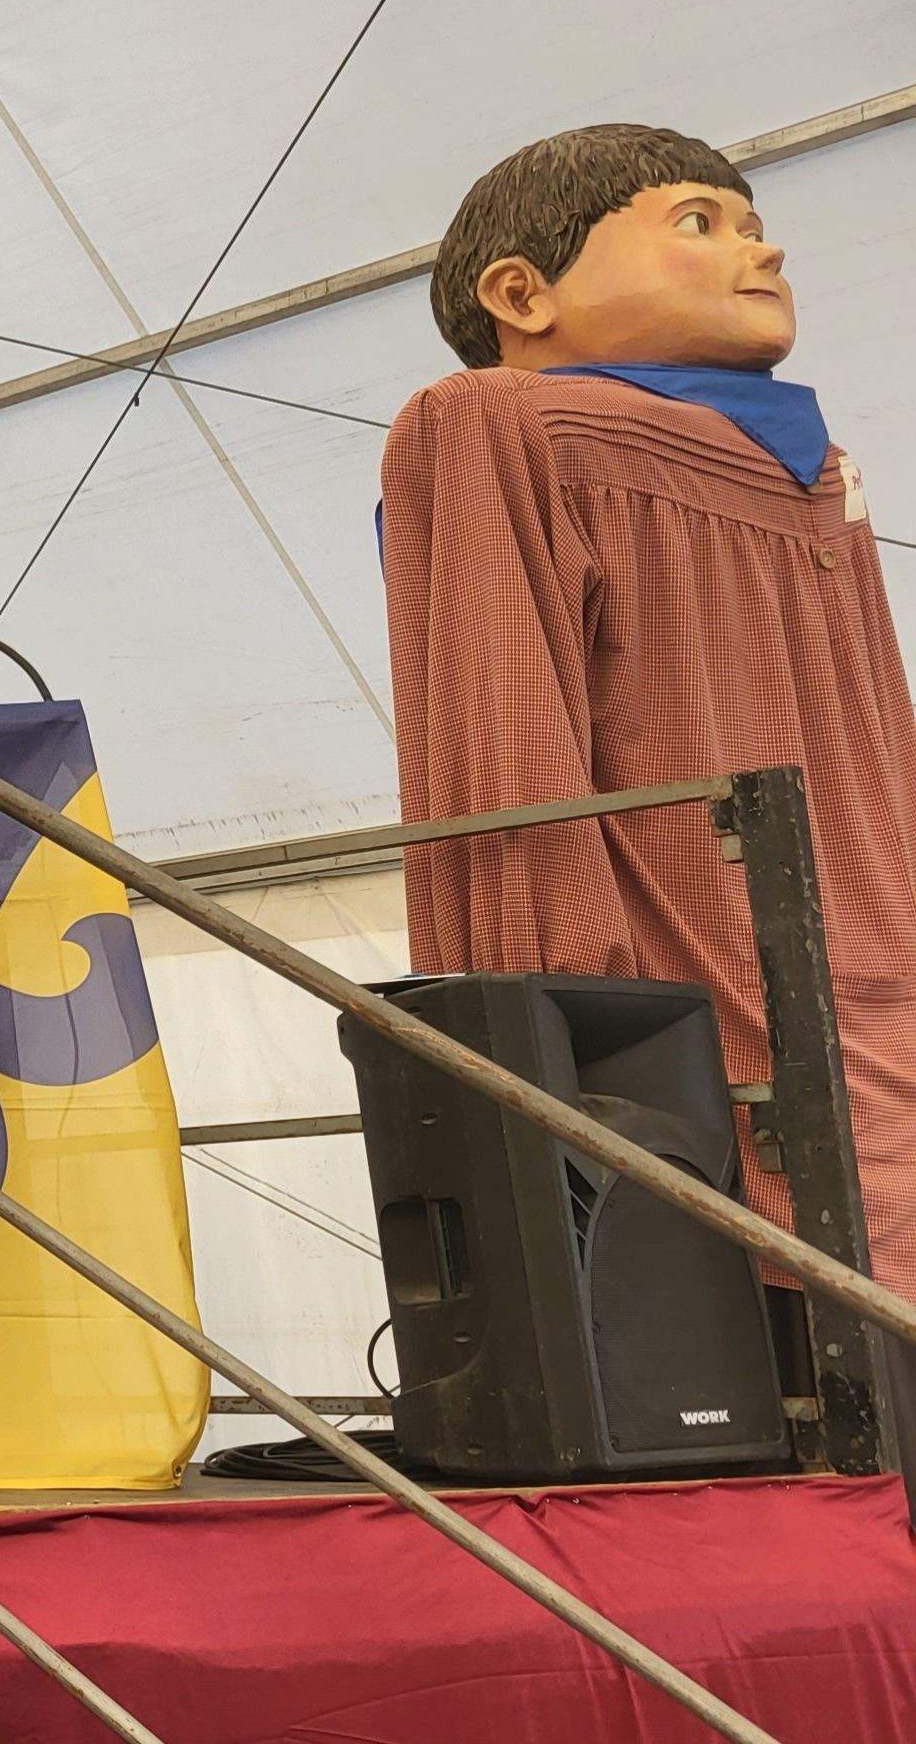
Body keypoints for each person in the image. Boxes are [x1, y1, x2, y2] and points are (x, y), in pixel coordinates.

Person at [388, 123, 916, 1269]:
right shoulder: (489, 421)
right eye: (699, 222)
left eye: (756, 228)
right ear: (520, 295)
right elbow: (500, 750)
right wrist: (552, 1030)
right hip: (701, 1007)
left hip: (878, 979)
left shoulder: (822, 470)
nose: (760, 252)